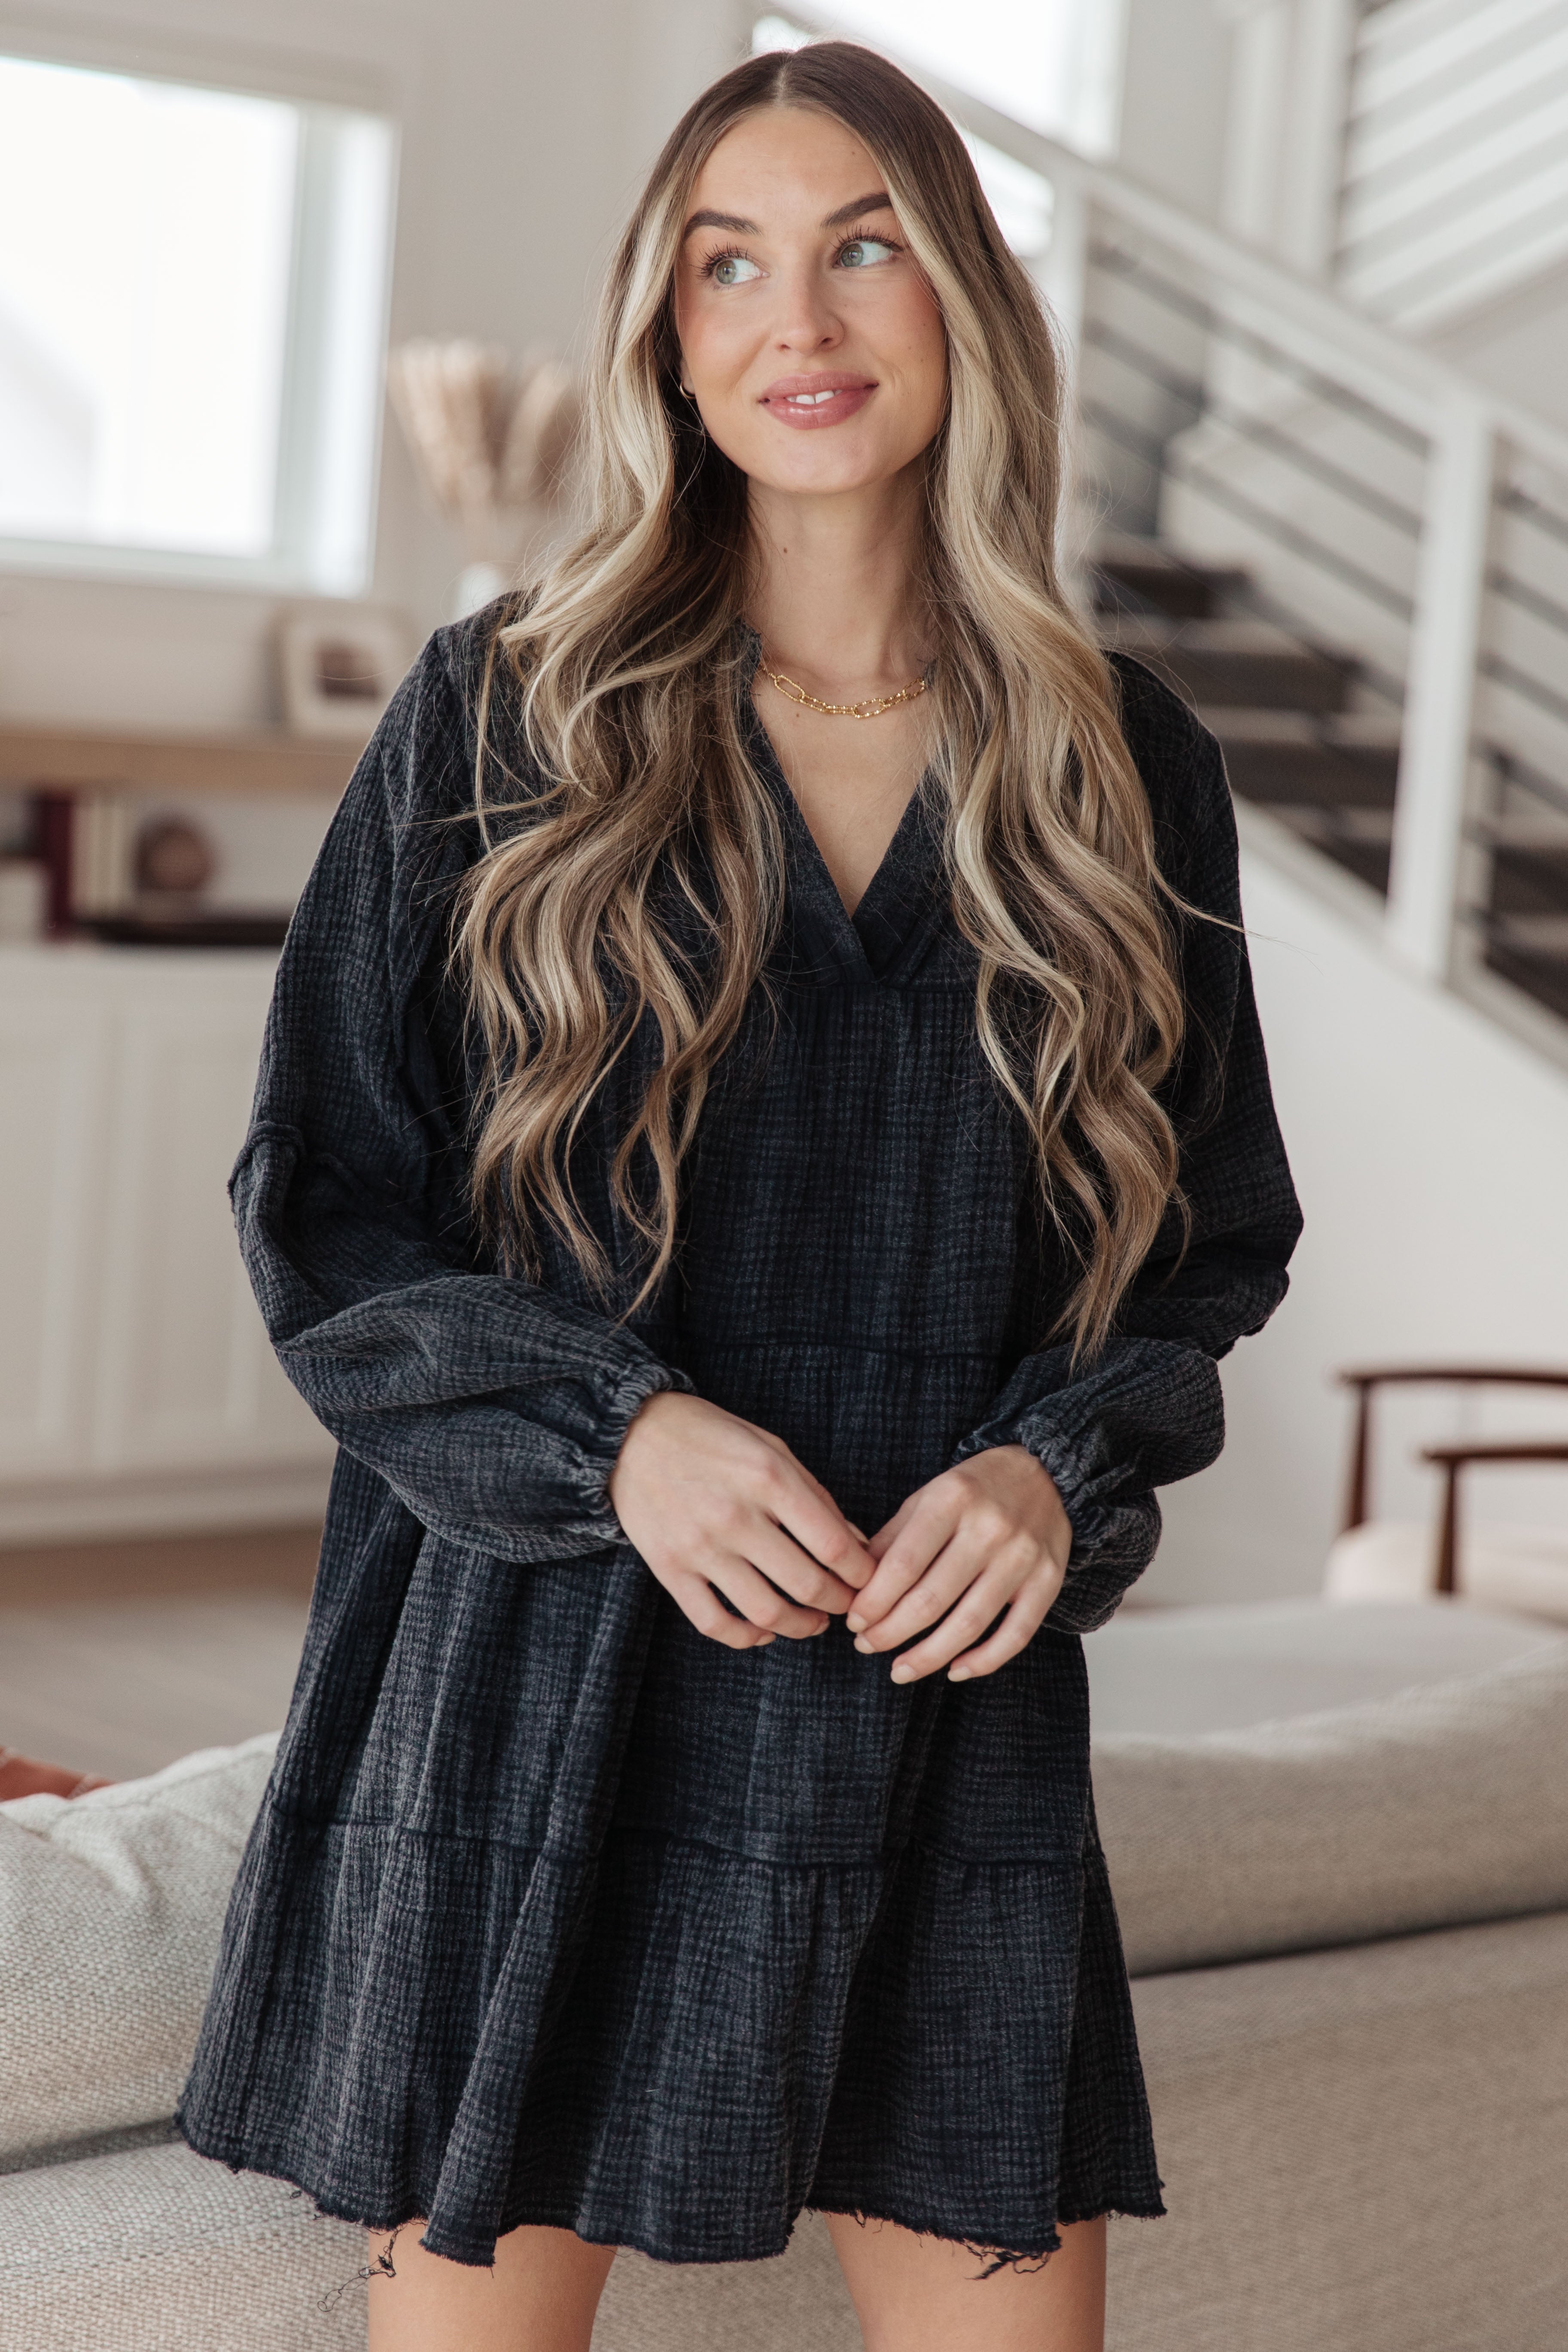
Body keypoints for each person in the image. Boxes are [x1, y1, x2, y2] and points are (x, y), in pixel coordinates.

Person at [178, 39, 1300, 2352]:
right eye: (729, 267)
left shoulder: (1122, 764)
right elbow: (329, 1208)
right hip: (527, 1688)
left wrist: (1046, 1464)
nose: (799, 320)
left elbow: (1203, 1246)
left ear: (965, 299)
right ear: (668, 344)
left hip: (928, 1698)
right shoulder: (501, 717)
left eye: (863, 244)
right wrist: (623, 1433)